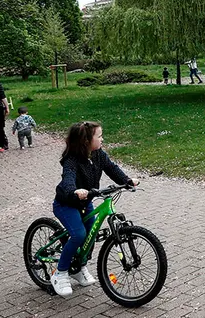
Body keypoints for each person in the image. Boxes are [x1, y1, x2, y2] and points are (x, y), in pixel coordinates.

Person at [50, 121, 139, 297]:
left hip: (86, 201)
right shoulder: (71, 160)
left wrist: (127, 181)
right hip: (67, 203)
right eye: (99, 136)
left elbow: (111, 168)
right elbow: (68, 177)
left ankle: (79, 268)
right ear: (85, 141)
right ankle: (60, 273)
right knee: (79, 235)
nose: (102, 138)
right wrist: (74, 190)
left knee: (91, 234)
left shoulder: (98, 154)